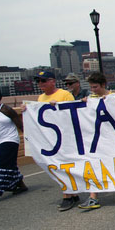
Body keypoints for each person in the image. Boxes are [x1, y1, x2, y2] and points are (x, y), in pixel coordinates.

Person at [34, 71, 77, 210]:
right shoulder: (40, 98)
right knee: (57, 166)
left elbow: (74, 113)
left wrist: (58, 107)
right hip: (51, 139)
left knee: (66, 166)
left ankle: (68, 195)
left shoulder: (64, 95)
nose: (41, 84)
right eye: (39, 81)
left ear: (52, 81)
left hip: (66, 137)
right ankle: (70, 193)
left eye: (44, 81)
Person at [78, 72, 114, 209]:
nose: (93, 90)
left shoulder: (112, 97)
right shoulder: (90, 99)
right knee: (94, 165)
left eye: (95, 87)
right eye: (91, 87)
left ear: (103, 85)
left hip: (112, 138)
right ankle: (93, 197)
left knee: (114, 164)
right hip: (96, 139)